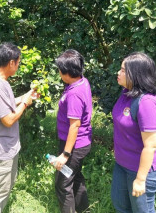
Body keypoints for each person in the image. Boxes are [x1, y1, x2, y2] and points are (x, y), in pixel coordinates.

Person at [0, 42, 36, 213]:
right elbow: (8, 119)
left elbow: (6, 105)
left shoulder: (0, 81)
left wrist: (26, 96)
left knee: (6, 187)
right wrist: (25, 104)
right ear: (11, 62)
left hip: (8, 146)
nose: (18, 66)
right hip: (0, 148)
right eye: (18, 63)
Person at [111, 52, 156, 213]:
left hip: (142, 170)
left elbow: (151, 145)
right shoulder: (126, 93)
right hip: (122, 164)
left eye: (122, 70)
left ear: (135, 74)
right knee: (121, 206)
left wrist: (140, 179)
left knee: (142, 210)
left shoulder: (146, 102)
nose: (118, 73)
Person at [52, 49, 93, 213]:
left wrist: (65, 154)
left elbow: (74, 125)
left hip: (74, 147)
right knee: (74, 177)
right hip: (81, 143)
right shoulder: (81, 82)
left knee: (63, 184)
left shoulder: (74, 94)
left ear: (66, 72)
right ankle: (84, 209)